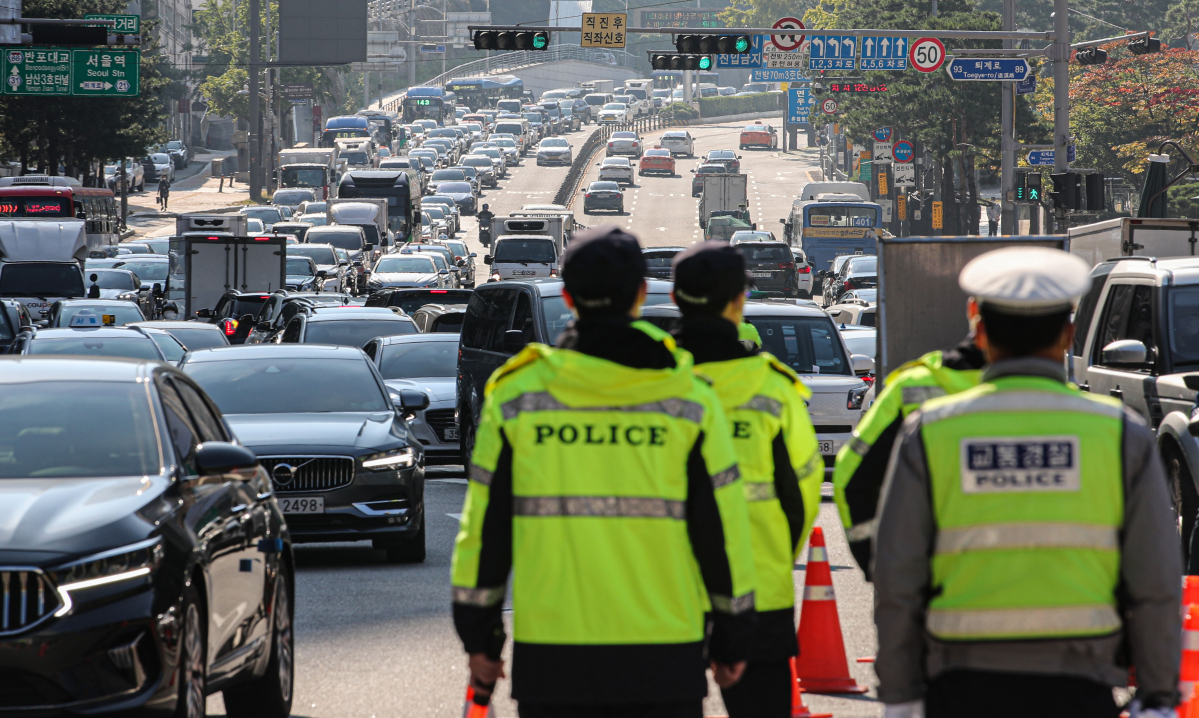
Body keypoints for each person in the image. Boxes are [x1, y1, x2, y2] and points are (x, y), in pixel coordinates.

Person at [451, 226, 758, 718]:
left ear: (567, 296)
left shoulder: (517, 399)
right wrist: (732, 637)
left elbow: (483, 534)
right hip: (667, 657)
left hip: (553, 659)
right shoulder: (690, 401)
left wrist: (481, 638)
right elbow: (724, 535)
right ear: (641, 293)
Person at [873, 247, 1181, 718]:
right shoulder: (1120, 433)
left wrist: (901, 693)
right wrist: (1158, 693)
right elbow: (1155, 579)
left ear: (980, 331)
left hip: (959, 688)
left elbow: (898, 576)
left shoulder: (932, 430)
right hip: (1081, 688)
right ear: (1068, 335)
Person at [670, 241, 822, 717]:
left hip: (662, 587)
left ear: (675, 299)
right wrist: (777, 556)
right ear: (739, 302)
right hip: (759, 589)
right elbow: (803, 493)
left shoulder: (649, 382)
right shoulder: (771, 388)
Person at [832, 335, 985, 578]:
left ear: (974, 311)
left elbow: (852, 475)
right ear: (1066, 332)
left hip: (938, 595)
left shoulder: (911, 386)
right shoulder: (1066, 406)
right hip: (1054, 603)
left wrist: (882, 568)